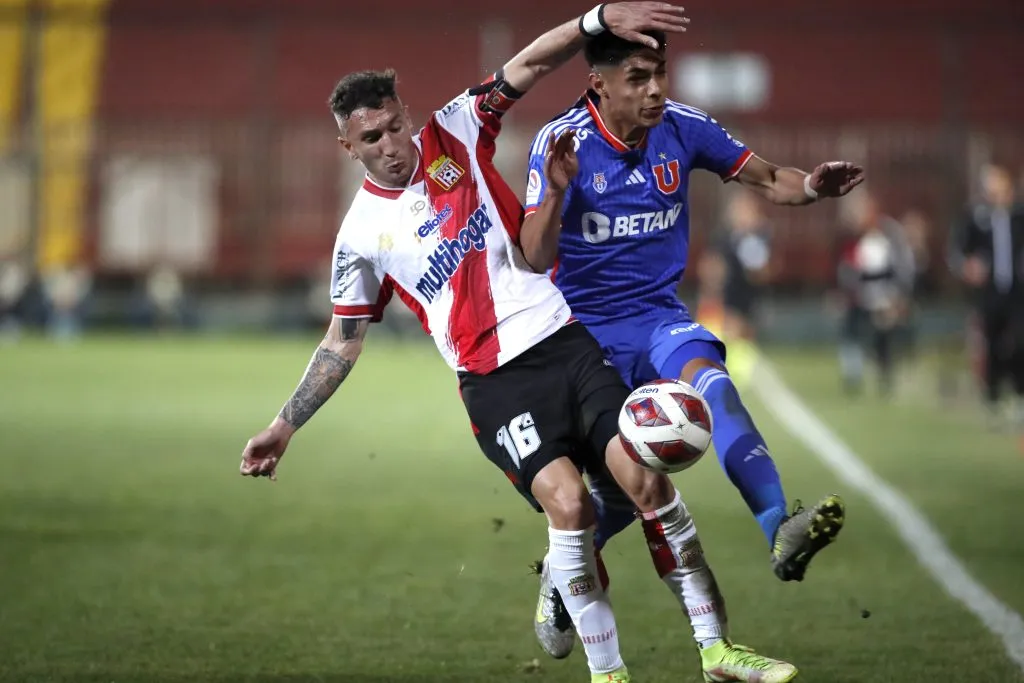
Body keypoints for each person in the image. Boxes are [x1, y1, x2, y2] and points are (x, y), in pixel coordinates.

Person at [238, 4, 795, 683]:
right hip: (494, 383)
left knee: (648, 479)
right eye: (372, 137)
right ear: (348, 147)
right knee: (572, 505)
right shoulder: (358, 237)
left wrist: (595, 20)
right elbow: (342, 341)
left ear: (406, 113)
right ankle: (610, 673)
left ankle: (716, 650)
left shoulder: (456, 129)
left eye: (394, 124)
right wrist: (283, 425)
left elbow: (530, 64)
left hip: (564, 340)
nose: (392, 143)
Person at [520, 27, 863, 659]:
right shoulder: (561, 142)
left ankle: (778, 527)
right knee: (624, 491)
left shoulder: (684, 127)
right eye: (637, 79)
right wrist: (559, 188)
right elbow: (534, 256)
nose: (654, 91)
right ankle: (560, 578)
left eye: (661, 75)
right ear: (599, 81)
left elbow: (767, 179)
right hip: (579, 334)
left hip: (656, 317)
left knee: (711, 385)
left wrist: (813, 186)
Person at [950, 163, 1024, 428]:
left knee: (1019, 341)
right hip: (989, 293)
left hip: (1018, 292)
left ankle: (1019, 396)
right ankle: (992, 400)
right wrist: (968, 266)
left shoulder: (1019, 215)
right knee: (991, 344)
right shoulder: (975, 216)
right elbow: (957, 252)